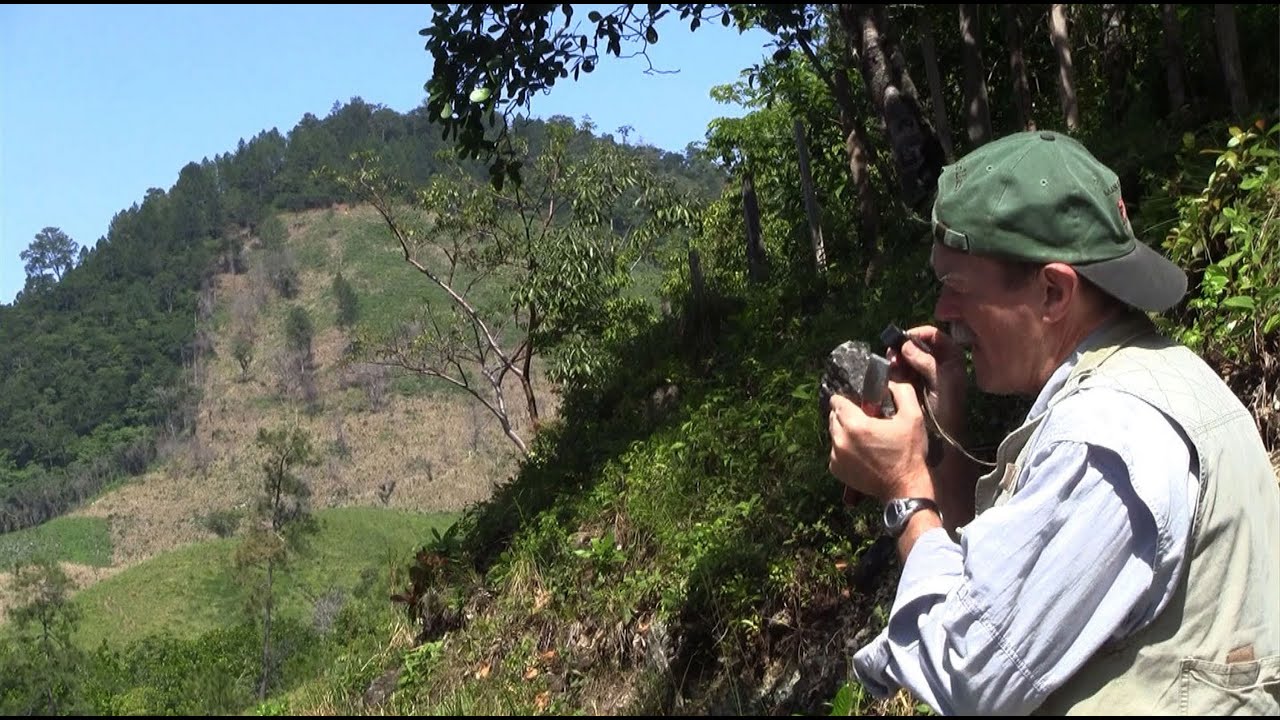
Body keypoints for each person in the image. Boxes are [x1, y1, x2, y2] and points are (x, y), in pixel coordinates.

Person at [826, 130, 1279, 715]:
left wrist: (904, 491)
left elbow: (970, 675)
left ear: (1053, 291)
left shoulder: (1108, 441)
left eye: (957, 288)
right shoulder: (1151, 377)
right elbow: (997, 591)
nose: (943, 312)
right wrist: (947, 439)